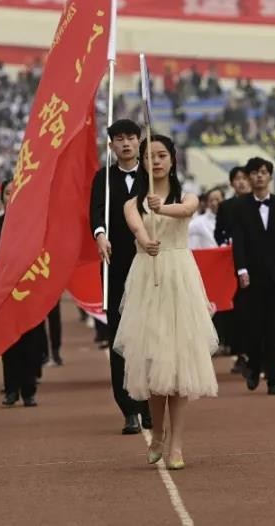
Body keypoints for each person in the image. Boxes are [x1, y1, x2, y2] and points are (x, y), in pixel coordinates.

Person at [113, 135, 218, 470]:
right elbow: (137, 232)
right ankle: (157, 432)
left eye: (161, 155)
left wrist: (163, 208)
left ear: (172, 159)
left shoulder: (186, 196)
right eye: (149, 156)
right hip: (148, 278)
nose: (155, 161)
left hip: (180, 277)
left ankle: (176, 445)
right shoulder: (133, 203)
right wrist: (146, 241)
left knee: (180, 363)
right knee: (155, 361)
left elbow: (187, 210)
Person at [90, 118, 152, 434]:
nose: (125, 144)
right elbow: (96, 213)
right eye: (119, 139)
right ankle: (128, 407)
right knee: (121, 337)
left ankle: (150, 403)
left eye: (130, 138)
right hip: (116, 267)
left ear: (139, 141)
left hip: (151, 264)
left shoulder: (153, 176)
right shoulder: (103, 178)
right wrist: (100, 235)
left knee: (152, 335)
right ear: (111, 145)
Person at [230, 157, 275, 396]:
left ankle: (273, 378)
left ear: (270, 177)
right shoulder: (240, 206)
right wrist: (241, 269)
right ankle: (253, 365)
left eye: (263, 172)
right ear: (249, 177)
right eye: (255, 172)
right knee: (253, 326)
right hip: (251, 277)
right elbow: (238, 241)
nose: (259, 176)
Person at [0, 179, 43, 407]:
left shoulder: (34, 224)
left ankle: (29, 390)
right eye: (8, 193)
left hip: (30, 289)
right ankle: (11, 389)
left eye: (16, 192)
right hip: (5, 291)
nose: (12, 197)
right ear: (2, 198)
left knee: (31, 341)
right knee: (8, 342)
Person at [214, 167, 251, 368]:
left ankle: (258, 352)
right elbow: (218, 233)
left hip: (258, 264)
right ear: (231, 183)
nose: (241, 182)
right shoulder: (226, 206)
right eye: (237, 179)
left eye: (245, 178)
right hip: (234, 266)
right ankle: (241, 354)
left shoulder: (259, 205)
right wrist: (226, 242)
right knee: (239, 311)